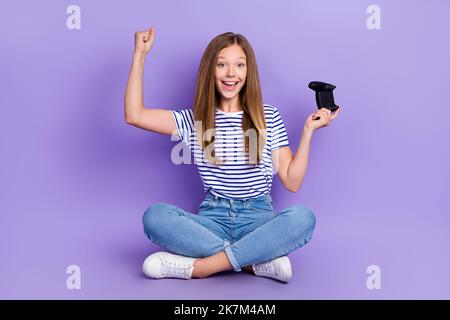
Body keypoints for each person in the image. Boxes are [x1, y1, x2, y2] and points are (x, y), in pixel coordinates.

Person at [124, 27, 341, 283]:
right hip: (211, 220)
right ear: (210, 71)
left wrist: (307, 132)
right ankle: (253, 263)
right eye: (222, 65)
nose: (231, 73)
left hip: (258, 220)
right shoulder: (194, 120)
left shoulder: (268, 116)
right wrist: (139, 54)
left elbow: (292, 182)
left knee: (303, 219)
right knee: (155, 217)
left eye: (239, 65)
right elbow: (134, 115)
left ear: (248, 72)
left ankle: (201, 268)